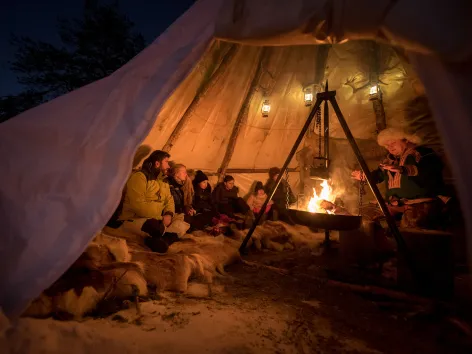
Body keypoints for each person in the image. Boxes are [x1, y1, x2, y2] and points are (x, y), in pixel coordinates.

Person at [351, 127, 447, 229]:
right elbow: (378, 175)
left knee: (412, 226)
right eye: (386, 146)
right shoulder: (389, 160)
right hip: (394, 205)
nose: (390, 148)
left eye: (392, 143)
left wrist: (404, 169)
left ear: (406, 139)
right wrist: (364, 176)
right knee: (367, 220)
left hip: (420, 205)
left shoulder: (423, 154)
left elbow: (430, 171)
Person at [118, 150, 177, 253]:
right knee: (153, 225)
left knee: (180, 221)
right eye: (166, 162)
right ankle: (161, 239)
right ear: (157, 163)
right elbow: (138, 206)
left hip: (157, 218)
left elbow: (169, 201)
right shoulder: (139, 177)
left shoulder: (162, 181)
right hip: (134, 219)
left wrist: (168, 214)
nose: (168, 166)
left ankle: (157, 240)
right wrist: (161, 217)